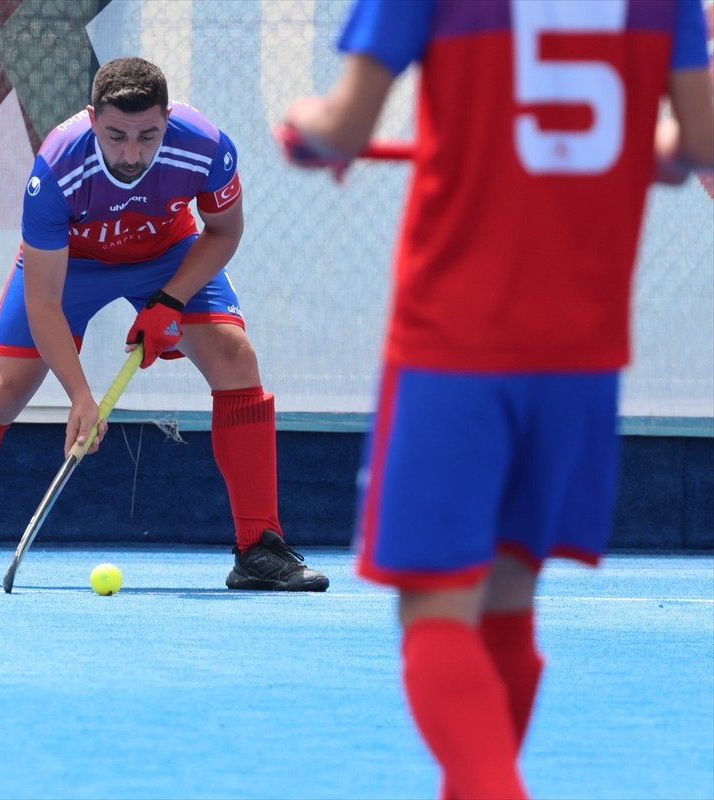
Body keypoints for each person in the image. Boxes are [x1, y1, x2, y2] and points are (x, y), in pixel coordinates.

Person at [277, 0, 713, 796]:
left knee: (436, 608)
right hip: (583, 353)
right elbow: (699, 148)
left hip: (456, 343)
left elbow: (343, 126)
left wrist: (303, 125)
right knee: (509, 594)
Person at [0, 56, 329, 592]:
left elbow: (223, 230)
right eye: (116, 136)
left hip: (167, 254)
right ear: (91, 118)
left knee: (235, 355)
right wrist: (80, 396)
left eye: (148, 135)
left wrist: (170, 302)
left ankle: (259, 548)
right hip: (74, 262)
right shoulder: (57, 167)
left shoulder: (206, 146)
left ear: (168, 118)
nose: (132, 154)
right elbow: (42, 301)